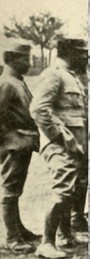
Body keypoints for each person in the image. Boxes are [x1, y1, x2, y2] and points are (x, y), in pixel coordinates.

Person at [31, 38, 88, 259]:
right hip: (60, 145)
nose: (85, 56)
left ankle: (65, 236)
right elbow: (39, 110)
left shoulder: (70, 75)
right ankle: (46, 243)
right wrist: (62, 137)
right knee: (61, 191)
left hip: (75, 145)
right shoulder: (53, 74)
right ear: (70, 52)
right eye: (81, 53)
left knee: (71, 190)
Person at [0, 41, 41, 253]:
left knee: (16, 189)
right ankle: (12, 238)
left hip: (21, 144)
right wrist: (8, 142)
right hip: (13, 145)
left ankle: (19, 230)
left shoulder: (17, 81)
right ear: (11, 59)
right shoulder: (6, 83)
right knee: (9, 191)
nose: (29, 62)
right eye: (25, 58)